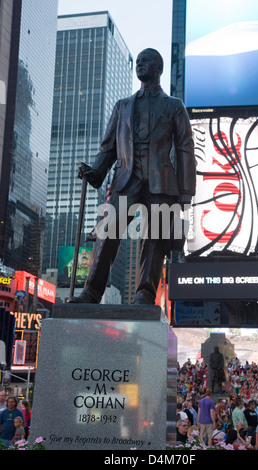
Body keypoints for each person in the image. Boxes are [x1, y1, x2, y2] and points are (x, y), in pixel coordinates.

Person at [69, 48, 196, 306]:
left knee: (155, 239)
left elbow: (185, 147)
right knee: (107, 233)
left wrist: (186, 191)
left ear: (158, 68)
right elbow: (108, 148)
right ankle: (91, 292)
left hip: (162, 181)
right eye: (137, 61)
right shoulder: (123, 106)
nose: (140, 64)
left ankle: (144, 294)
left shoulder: (174, 106)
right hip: (127, 178)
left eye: (145, 61)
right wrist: (95, 172)